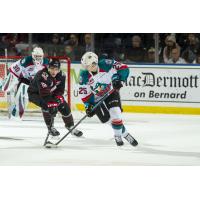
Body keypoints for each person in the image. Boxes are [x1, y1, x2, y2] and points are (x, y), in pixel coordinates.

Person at [79, 52, 138, 146]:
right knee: (106, 119)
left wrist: (119, 79)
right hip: (96, 98)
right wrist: (88, 106)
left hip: (111, 92)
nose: (86, 68)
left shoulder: (106, 64)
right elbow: (84, 93)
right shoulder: (84, 75)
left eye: (88, 65)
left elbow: (124, 68)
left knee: (116, 112)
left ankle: (118, 136)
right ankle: (124, 132)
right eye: (85, 66)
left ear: (95, 63)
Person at [28, 59, 83, 137]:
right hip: (35, 94)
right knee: (46, 105)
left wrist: (58, 97)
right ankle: (50, 128)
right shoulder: (42, 75)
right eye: (52, 68)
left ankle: (70, 126)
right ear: (48, 67)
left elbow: (60, 90)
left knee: (63, 104)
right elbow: (44, 94)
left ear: (59, 69)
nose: (54, 71)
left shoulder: (62, 75)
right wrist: (52, 104)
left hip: (50, 93)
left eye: (56, 69)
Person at [1, 47, 48, 118]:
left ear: (43, 56)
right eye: (36, 56)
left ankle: (16, 114)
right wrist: (12, 79)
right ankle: (2, 84)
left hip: (32, 81)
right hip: (21, 76)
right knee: (5, 88)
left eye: (40, 56)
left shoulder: (46, 62)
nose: (38, 58)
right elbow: (16, 69)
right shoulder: (26, 61)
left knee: (24, 96)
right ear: (32, 55)